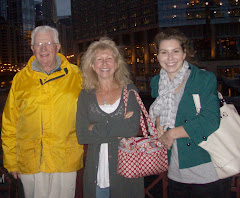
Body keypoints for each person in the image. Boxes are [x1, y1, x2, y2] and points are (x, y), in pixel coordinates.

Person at [1, 25, 84, 198]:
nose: (43, 49)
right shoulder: (20, 79)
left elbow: (96, 105)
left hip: (65, 158)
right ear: (32, 48)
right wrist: (11, 161)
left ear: (58, 46)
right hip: (31, 161)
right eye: (38, 44)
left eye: (48, 43)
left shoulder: (76, 76)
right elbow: (9, 123)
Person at [149, 28, 232, 198]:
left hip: (207, 171)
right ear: (157, 56)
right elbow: (160, 108)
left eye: (175, 51)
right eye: (164, 52)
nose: (170, 58)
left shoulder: (202, 79)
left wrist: (171, 133)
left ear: (184, 53)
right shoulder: (157, 83)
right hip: (175, 172)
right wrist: (158, 123)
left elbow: (210, 120)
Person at [76, 37, 144, 198]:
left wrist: (94, 127)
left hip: (127, 173)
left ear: (117, 63)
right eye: (99, 59)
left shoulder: (130, 90)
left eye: (109, 59)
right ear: (92, 65)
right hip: (96, 175)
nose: (105, 64)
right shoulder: (85, 95)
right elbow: (82, 134)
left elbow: (131, 129)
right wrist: (118, 127)